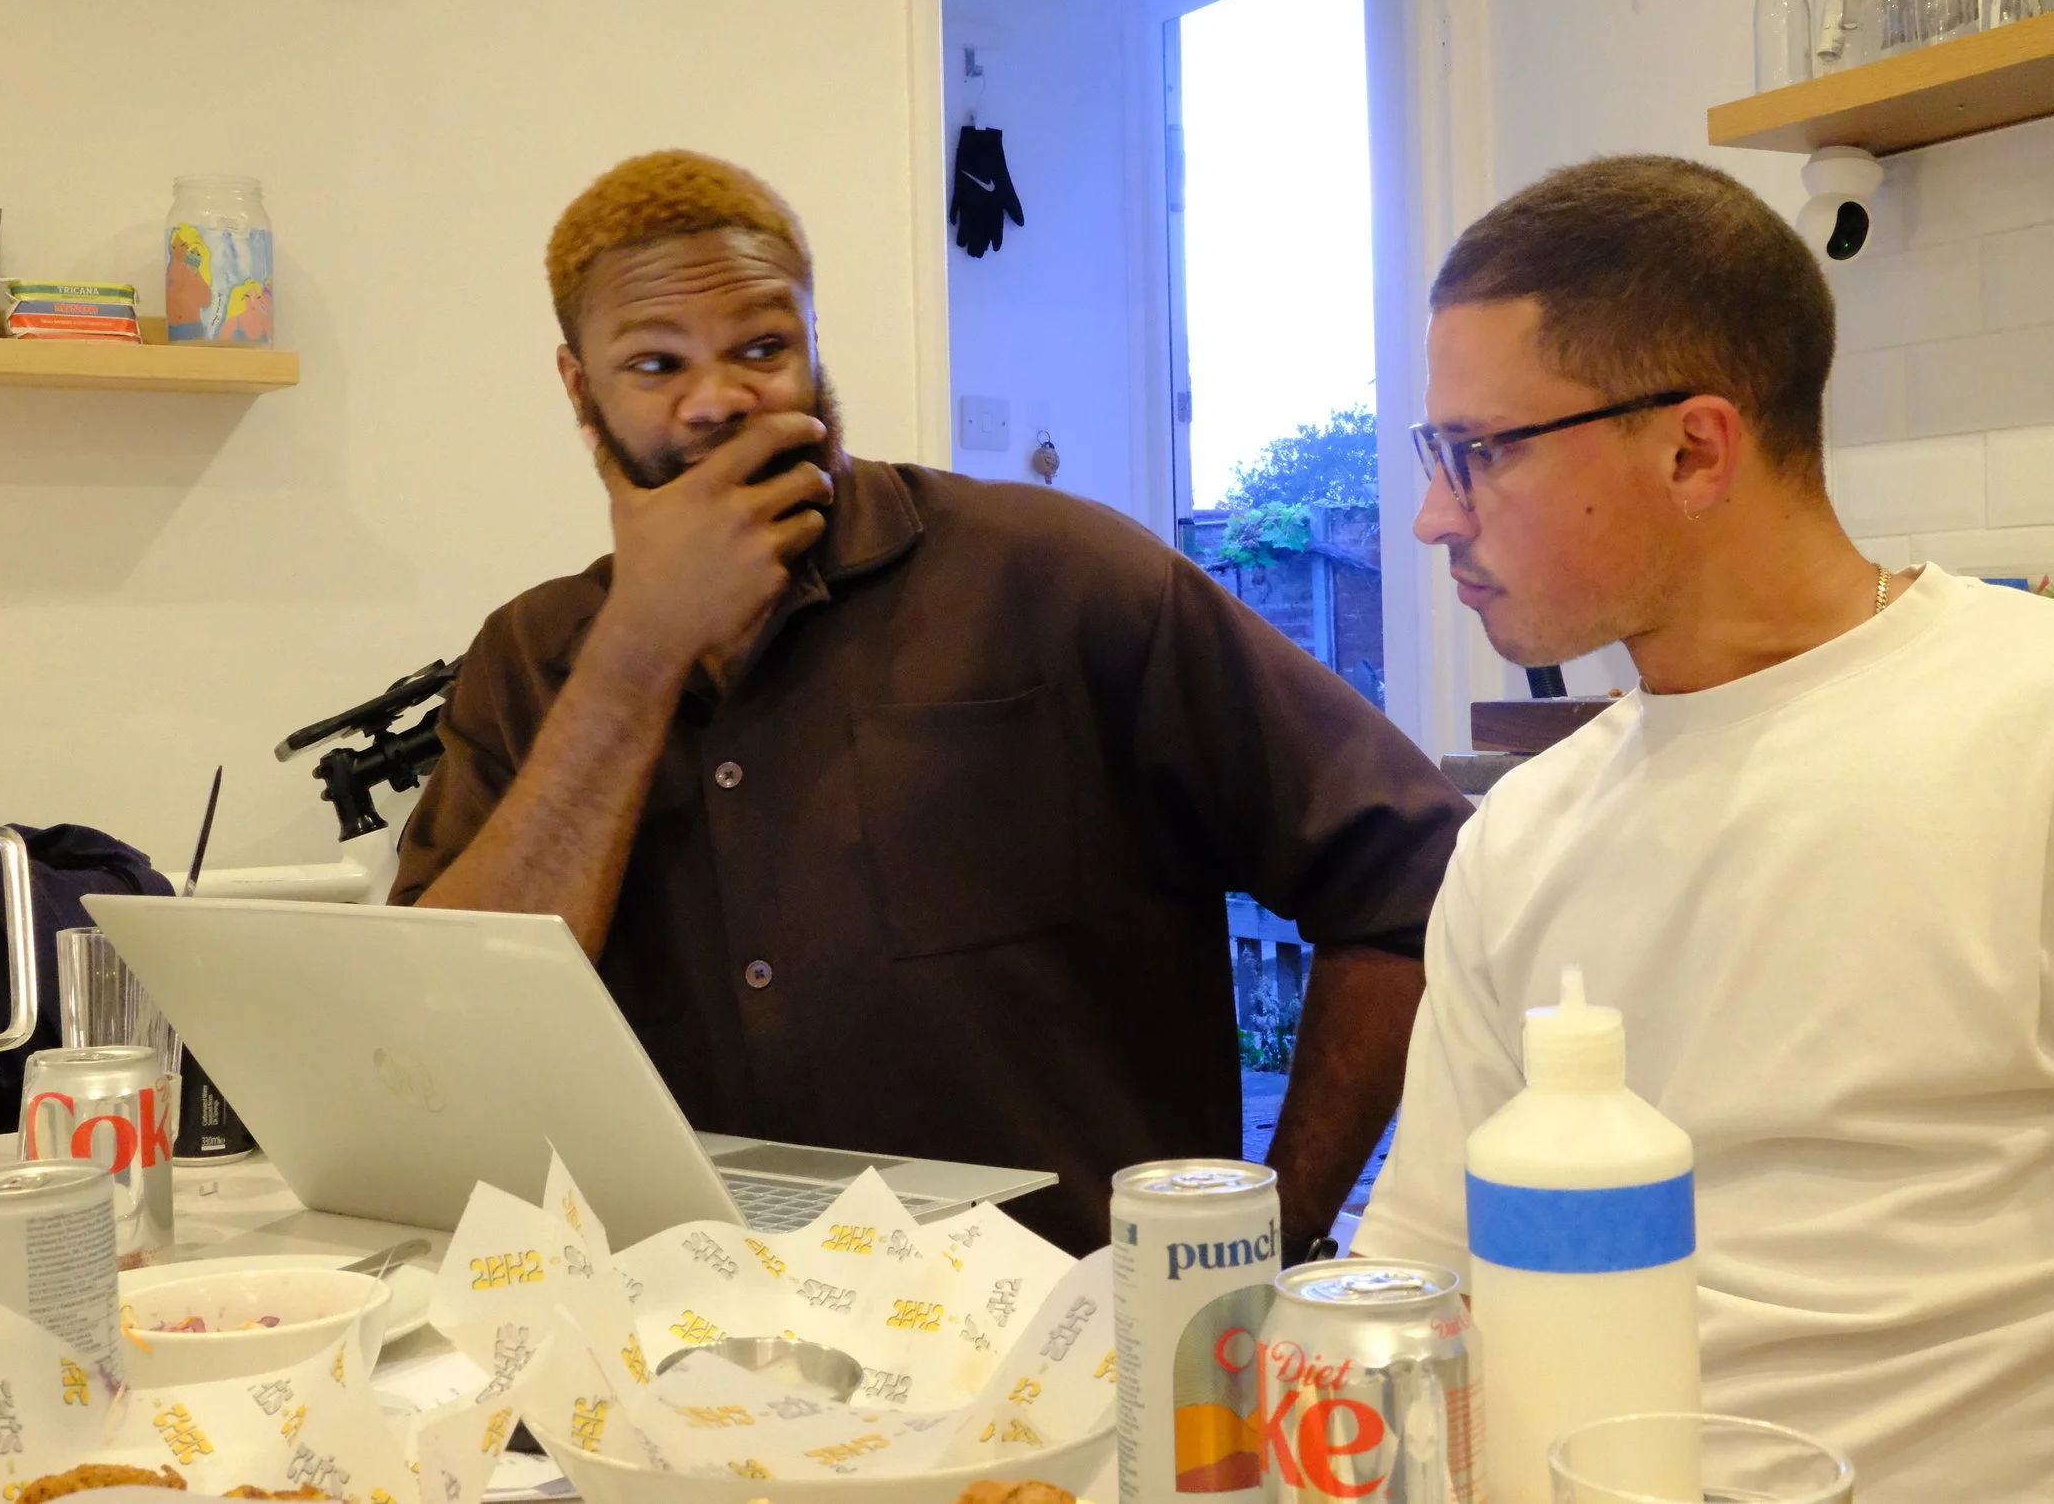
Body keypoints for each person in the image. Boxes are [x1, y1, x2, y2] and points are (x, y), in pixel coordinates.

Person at [1354, 155, 2054, 1501]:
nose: (1433, 516)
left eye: (1482, 453)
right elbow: (1417, 1298)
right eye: (1435, 455)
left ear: (1695, 448)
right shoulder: (1523, 829)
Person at [393, 149, 1469, 1255]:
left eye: (762, 347)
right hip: (674, 1333)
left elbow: (1414, 873)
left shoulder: (1061, 577)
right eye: (656, 363)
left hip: (1072, 1335)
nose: (718, 400)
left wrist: (1269, 1237)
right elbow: (440, 1034)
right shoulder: (528, 659)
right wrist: (639, 651)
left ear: (814, 340)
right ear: (582, 392)